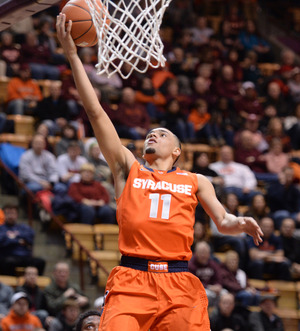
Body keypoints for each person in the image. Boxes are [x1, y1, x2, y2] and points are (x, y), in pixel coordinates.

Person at [56, 13, 263, 330]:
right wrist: (72, 55)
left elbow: (223, 221)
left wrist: (240, 222)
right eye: (150, 132)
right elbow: (95, 113)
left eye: (163, 133)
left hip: (178, 282)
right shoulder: (128, 168)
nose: (153, 134)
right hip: (131, 279)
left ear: (178, 150)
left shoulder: (196, 180)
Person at [0, 204, 46, 276]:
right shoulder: (1, 228)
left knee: (40, 262)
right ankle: (10, 284)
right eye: (8, 213)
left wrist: (11, 238)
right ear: (4, 215)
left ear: (17, 215)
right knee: (8, 262)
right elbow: (1, 241)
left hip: (24, 256)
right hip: (8, 256)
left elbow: (30, 238)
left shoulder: (23, 227)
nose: (10, 215)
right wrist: (18, 241)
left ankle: (34, 283)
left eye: (13, 213)